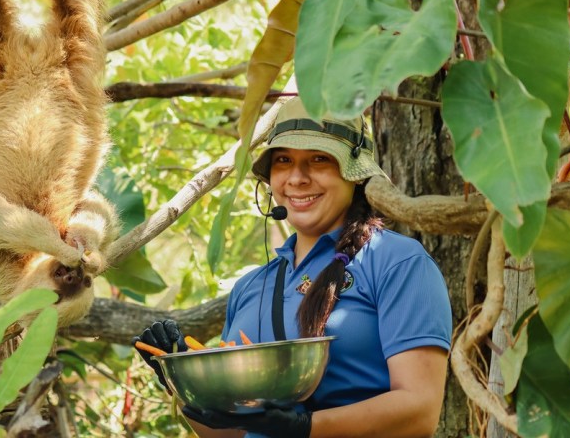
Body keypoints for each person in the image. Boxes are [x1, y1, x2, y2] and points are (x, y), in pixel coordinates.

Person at [134, 97, 453, 437]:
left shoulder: (397, 262)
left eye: (319, 159)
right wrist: (179, 375)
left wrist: (305, 427)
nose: (297, 178)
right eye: (283, 160)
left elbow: (420, 411)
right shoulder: (251, 287)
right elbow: (229, 433)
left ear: (355, 174)